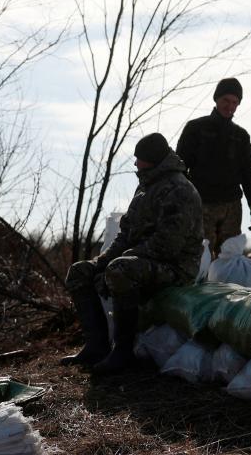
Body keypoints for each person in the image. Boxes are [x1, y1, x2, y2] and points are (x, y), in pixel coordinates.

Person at [62, 133, 204, 374]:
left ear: (153, 160)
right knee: (80, 271)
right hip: (142, 259)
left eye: (140, 159)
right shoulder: (145, 186)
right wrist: (103, 262)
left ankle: (123, 352)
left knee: (120, 270)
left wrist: (118, 263)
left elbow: (167, 245)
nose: (136, 164)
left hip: (176, 267)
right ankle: (96, 346)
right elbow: (126, 232)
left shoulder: (180, 190)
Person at [176, 78, 251, 254]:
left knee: (230, 257)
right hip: (201, 203)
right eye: (226, 100)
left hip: (231, 207)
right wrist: (182, 200)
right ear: (216, 99)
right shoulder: (196, 128)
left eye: (235, 102)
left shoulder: (241, 136)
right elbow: (180, 168)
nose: (230, 106)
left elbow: (249, 173)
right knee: (201, 255)